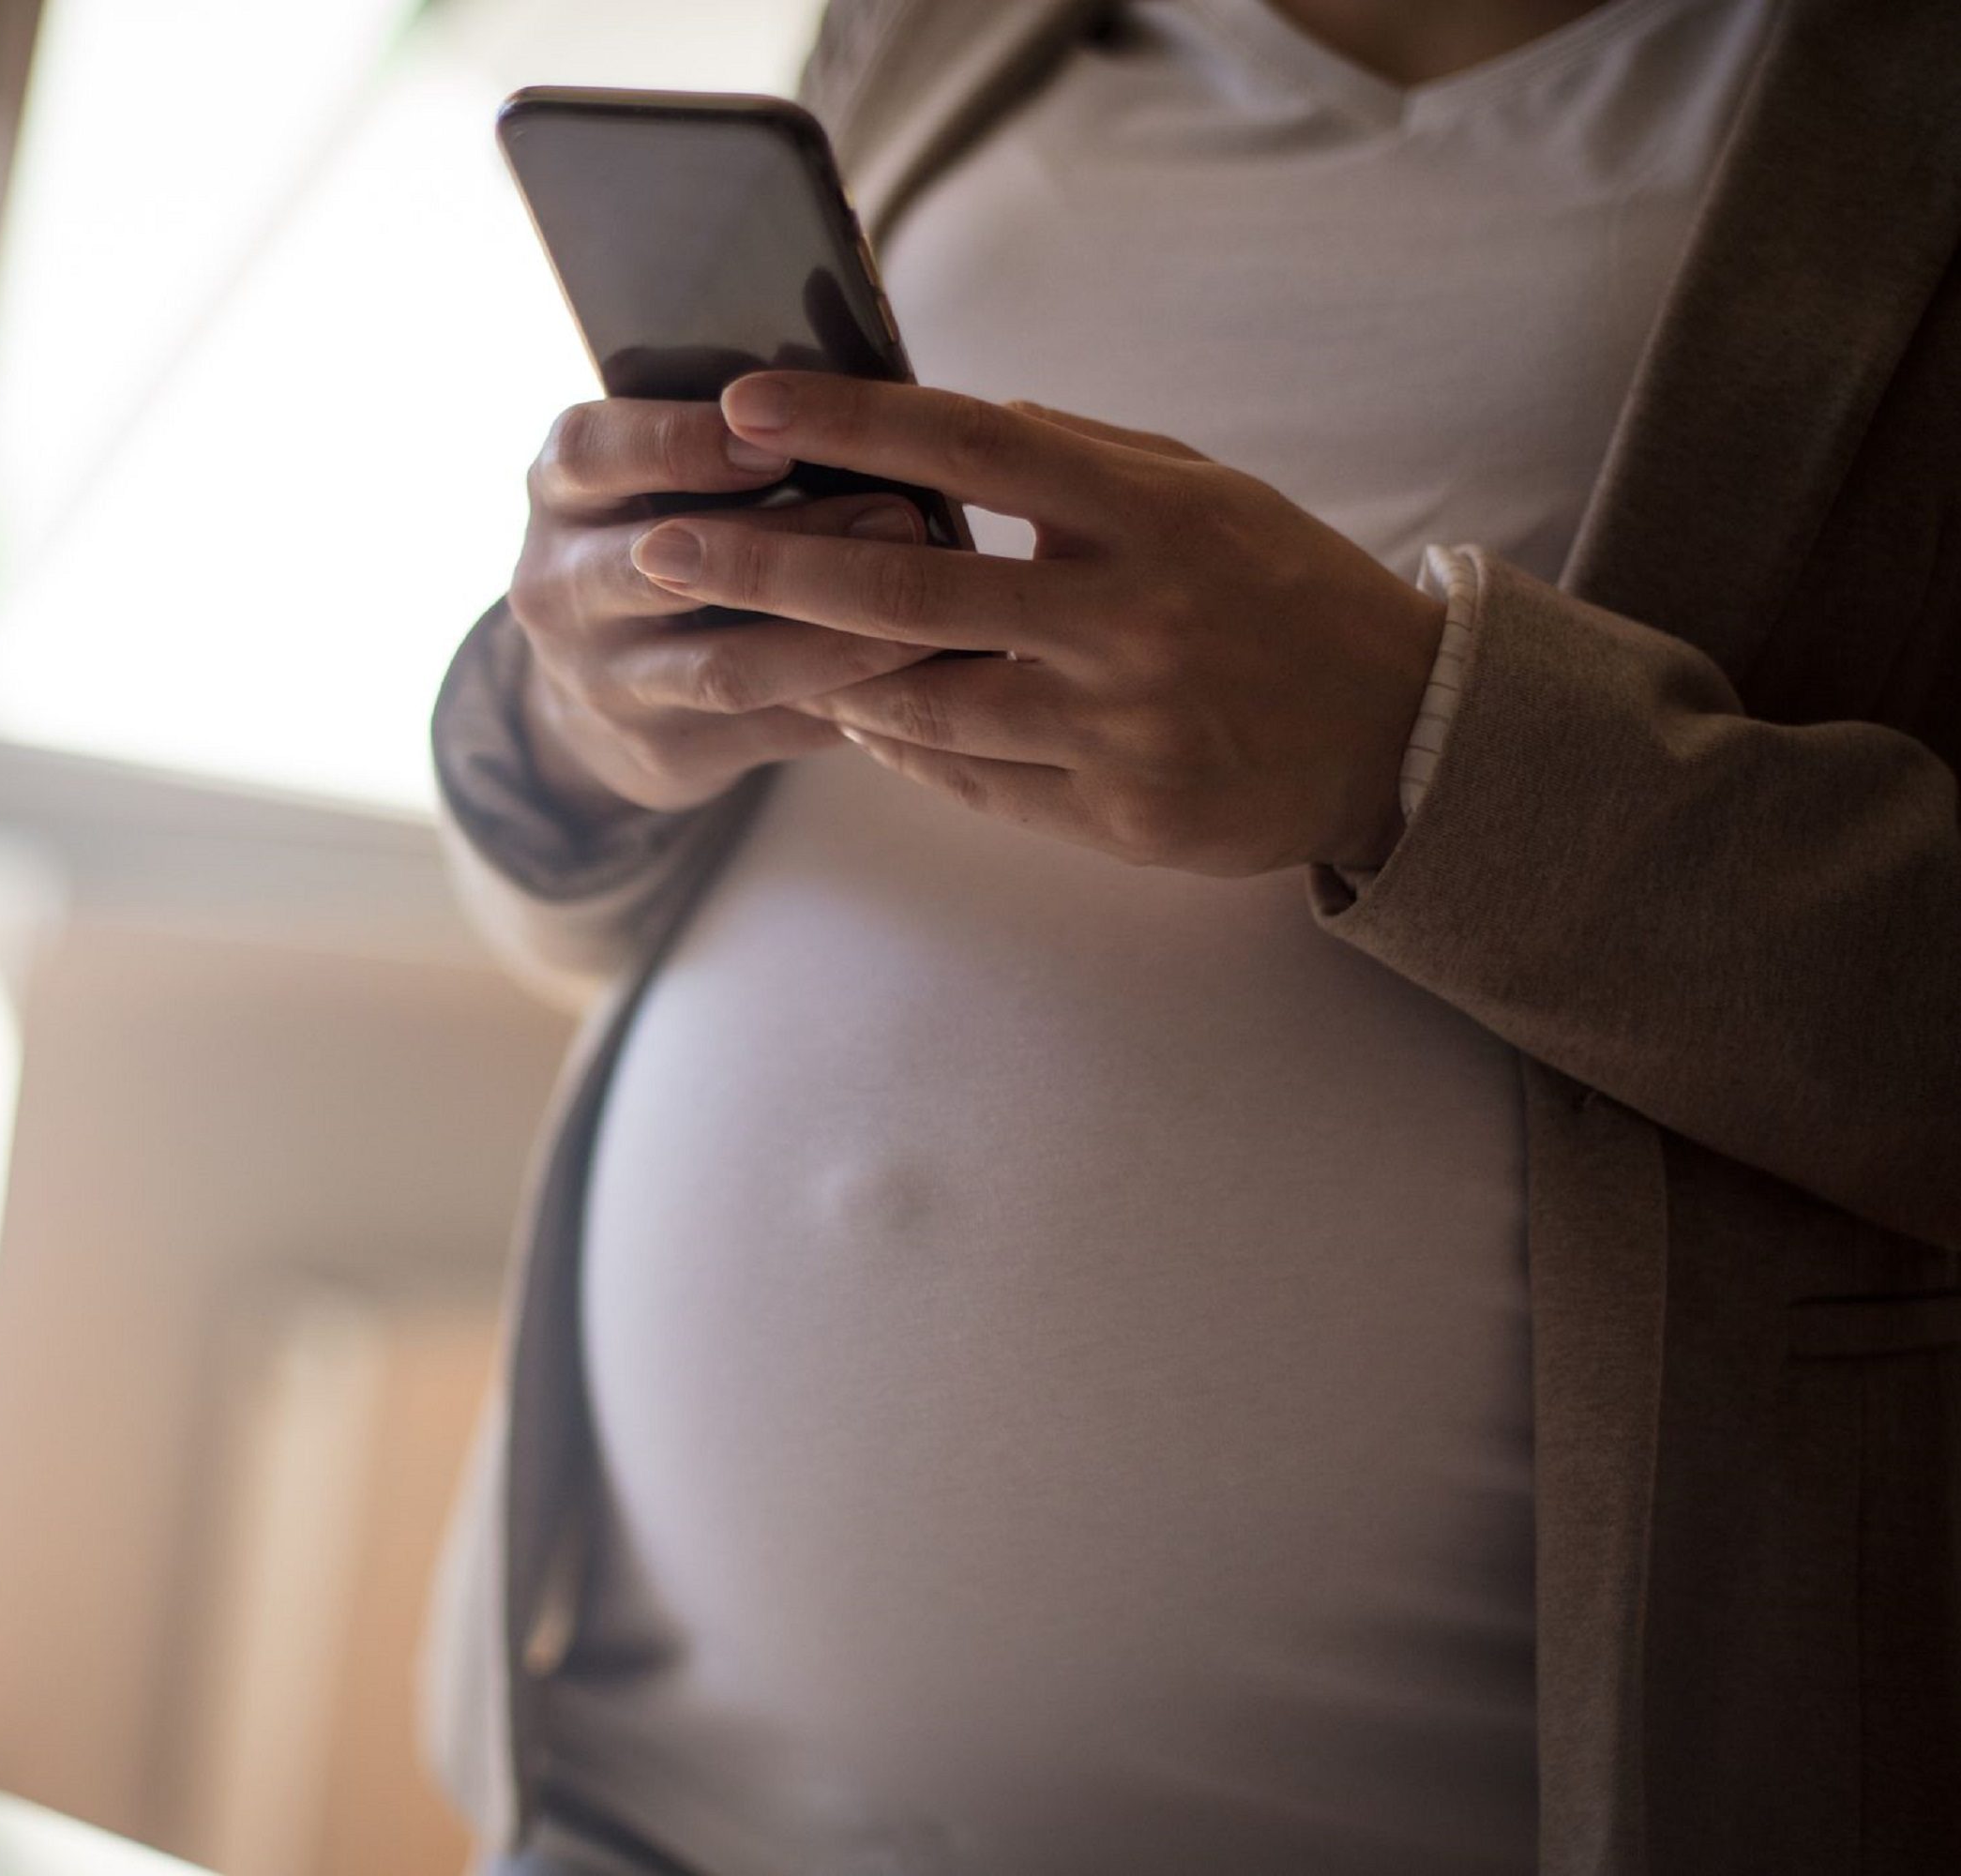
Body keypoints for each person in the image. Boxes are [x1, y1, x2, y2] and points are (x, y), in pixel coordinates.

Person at [418, 0, 1961, 1871]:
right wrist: (588, 713)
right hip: (631, 1808)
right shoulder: (942, 34)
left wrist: (1427, 751)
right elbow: (564, 911)